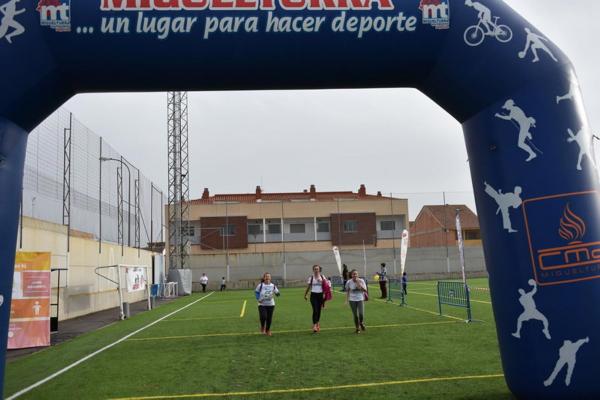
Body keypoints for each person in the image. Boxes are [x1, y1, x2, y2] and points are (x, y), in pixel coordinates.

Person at [255, 272, 280, 336]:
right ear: (264, 278)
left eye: (269, 276)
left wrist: (276, 294)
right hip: (262, 304)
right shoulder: (260, 285)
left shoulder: (273, 286)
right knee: (263, 316)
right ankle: (262, 326)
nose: (267, 278)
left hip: (271, 304)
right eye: (266, 276)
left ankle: (267, 330)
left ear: (270, 278)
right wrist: (258, 299)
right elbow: (256, 292)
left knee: (269, 318)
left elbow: (278, 294)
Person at [304, 264, 325, 333]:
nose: (316, 270)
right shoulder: (311, 278)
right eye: (315, 269)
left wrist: (321, 281)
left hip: (320, 295)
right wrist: (305, 294)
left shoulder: (322, 277)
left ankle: (317, 322)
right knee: (315, 310)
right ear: (313, 270)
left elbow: (326, 286)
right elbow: (308, 287)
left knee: (319, 310)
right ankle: (314, 325)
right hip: (313, 295)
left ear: (319, 270)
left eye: (317, 269)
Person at [345, 269, 367, 334]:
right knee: (355, 315)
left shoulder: (361, 280)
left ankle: (361, 323)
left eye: (356, 274)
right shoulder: (349, 282)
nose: (355, 275)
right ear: (351, 275)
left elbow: (365, 290)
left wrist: (358, 283)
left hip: (360, 299)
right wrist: (346, 300)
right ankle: (357, 328)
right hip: (352, 300)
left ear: (358, 275)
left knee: (361, 314)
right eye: (353, 274)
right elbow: (347, 291)